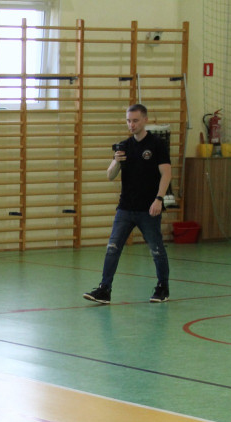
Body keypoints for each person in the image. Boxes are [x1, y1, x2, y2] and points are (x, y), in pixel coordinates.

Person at [84, 103, 172, 304]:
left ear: (145, 120)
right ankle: (104, 289)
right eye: (128, 121)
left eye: (135, 120)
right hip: (125, 208)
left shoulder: (156, 144)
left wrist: (159, 199)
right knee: (113, 247)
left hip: (148, 208)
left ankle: (162, 287)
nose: (131, 125)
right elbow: (110, 175)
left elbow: (166, 173)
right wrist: (116, 160)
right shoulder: (124, 146)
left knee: (156, 249)